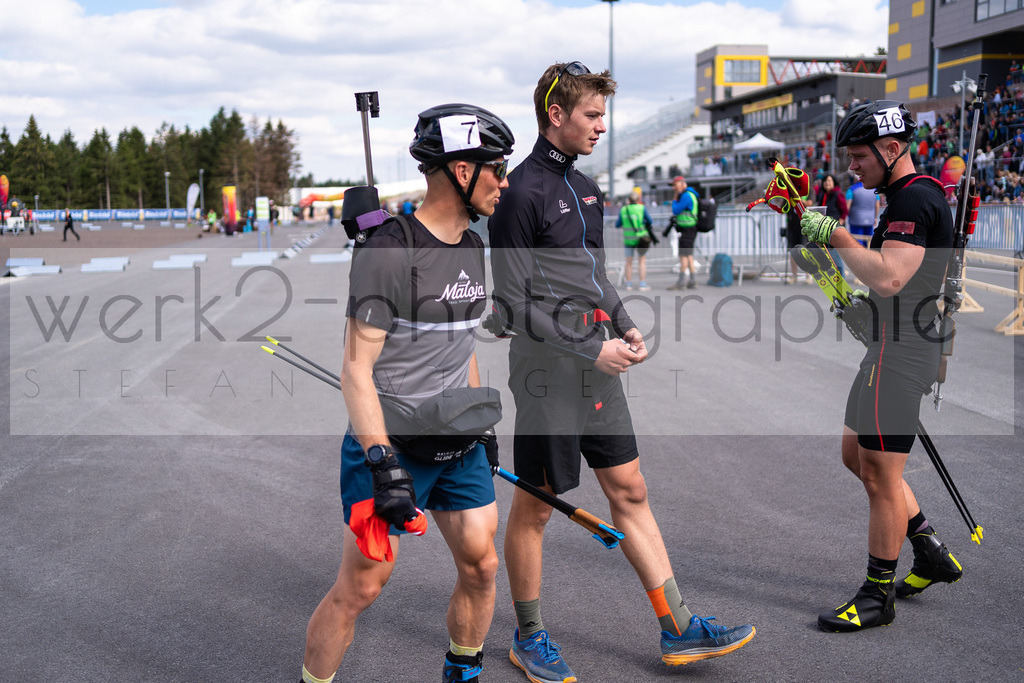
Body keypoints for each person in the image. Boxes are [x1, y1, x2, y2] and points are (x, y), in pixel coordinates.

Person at [488, 61, 755, 682]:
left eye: (604, 115)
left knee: (630, 492)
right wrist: (589, 349)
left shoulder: (585, 188)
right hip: (546, 373)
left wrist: (624, 320)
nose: (602, 126)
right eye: (592, 114)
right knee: (539, 506)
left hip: (597, 363)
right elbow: (510, 303)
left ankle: (679, 627)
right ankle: (529, 636)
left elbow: (595, 273)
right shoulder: (518, 193)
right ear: (556, 115)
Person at [299, 103, 514, 683]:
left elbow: (462, 343)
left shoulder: (472, 245)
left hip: (455, 436)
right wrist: (382, 460)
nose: (505, 179)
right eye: (497, 166)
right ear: (462, 171)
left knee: (482, 563)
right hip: (391, 443)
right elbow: (355, 369)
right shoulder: (389, 250)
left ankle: (462, 671)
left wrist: (479, 422)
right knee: (362, 586)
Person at [799, 100, 962, 632]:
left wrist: (838, 236)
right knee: (857, 455)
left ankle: (876, 596)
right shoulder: (905, 196)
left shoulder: (913, 198)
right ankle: (930, 550)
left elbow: (891, 276)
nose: (853, 166)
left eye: (859, 155)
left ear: (892, 149)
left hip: (903, 350)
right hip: (892, 342)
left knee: (881, 475)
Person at [616, 190, 655, 291]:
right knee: (641, 261)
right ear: (638, 200)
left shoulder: (624, 209)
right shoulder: (641, 208)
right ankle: (642, 284)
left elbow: (617, 224)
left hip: (628, 239)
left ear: (629, 200)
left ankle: (628, 284)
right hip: (641, 238)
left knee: (628, 262)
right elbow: (650, 221)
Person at [667, 176, 699, 289]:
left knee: (683, 255)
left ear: (682, 183)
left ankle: (681, 282)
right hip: (690, 228)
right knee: (689, 254)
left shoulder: (686, 196)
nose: (674, 188)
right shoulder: (689, 194)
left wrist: (675, 199)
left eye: (675, 185)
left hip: (688, 228)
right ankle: (692, 280)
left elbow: (676, 210)